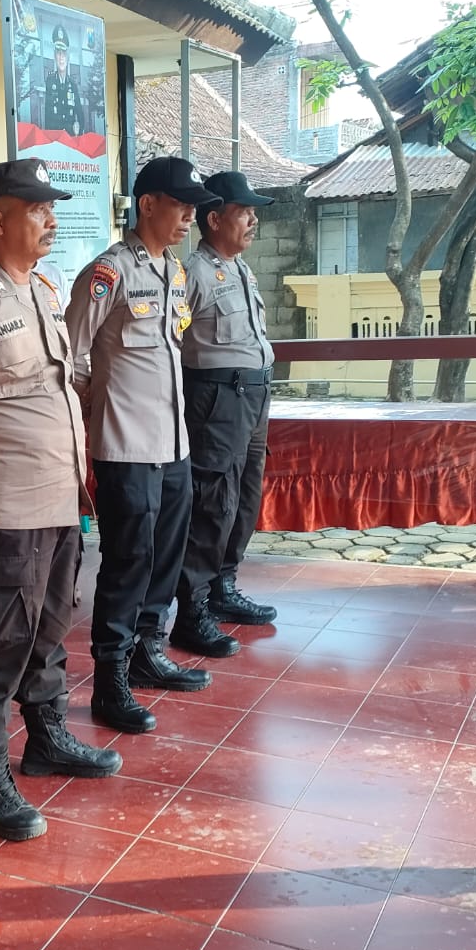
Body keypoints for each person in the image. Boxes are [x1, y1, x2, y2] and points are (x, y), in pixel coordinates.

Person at [0, 158, 121, 842]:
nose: (51, 219)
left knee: (49, 627)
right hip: (4, 507)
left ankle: (46, 735)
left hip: (59, 499)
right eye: (37, 209)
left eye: (51, 208)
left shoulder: (41, 290)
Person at [67, 156, 219, 730]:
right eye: (180, 206)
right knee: (128, 562)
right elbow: (70, 356)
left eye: (193, 209)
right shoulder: (109, 273)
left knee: (166, 556)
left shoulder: (173, 271)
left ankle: (147, 651)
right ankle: (110, 680)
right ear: (148, 204)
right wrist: (96, 408)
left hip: (173, 444)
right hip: (126, 447)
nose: (189, 217)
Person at [172, 170, 282, 658]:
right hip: (216, 398)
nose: (253, 221)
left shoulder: (241, 269)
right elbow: (169, 342)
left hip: (253, 396)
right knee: (212, 501)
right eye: (244, 212)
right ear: (214, 219)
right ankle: (192, 609)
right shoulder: (192, 274)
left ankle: (223, 587)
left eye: (254, 212)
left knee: (244, 495)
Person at [43, 24, 83, 135]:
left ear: (68, 57)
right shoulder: (50, 82)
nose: (61, 57)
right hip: (55, 138)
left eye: (64, 53)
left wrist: (79, 130)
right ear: (54, 56)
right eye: (58, 53)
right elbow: (47, 114)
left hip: (70, 136)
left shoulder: (72, 84)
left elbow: (79, 113)